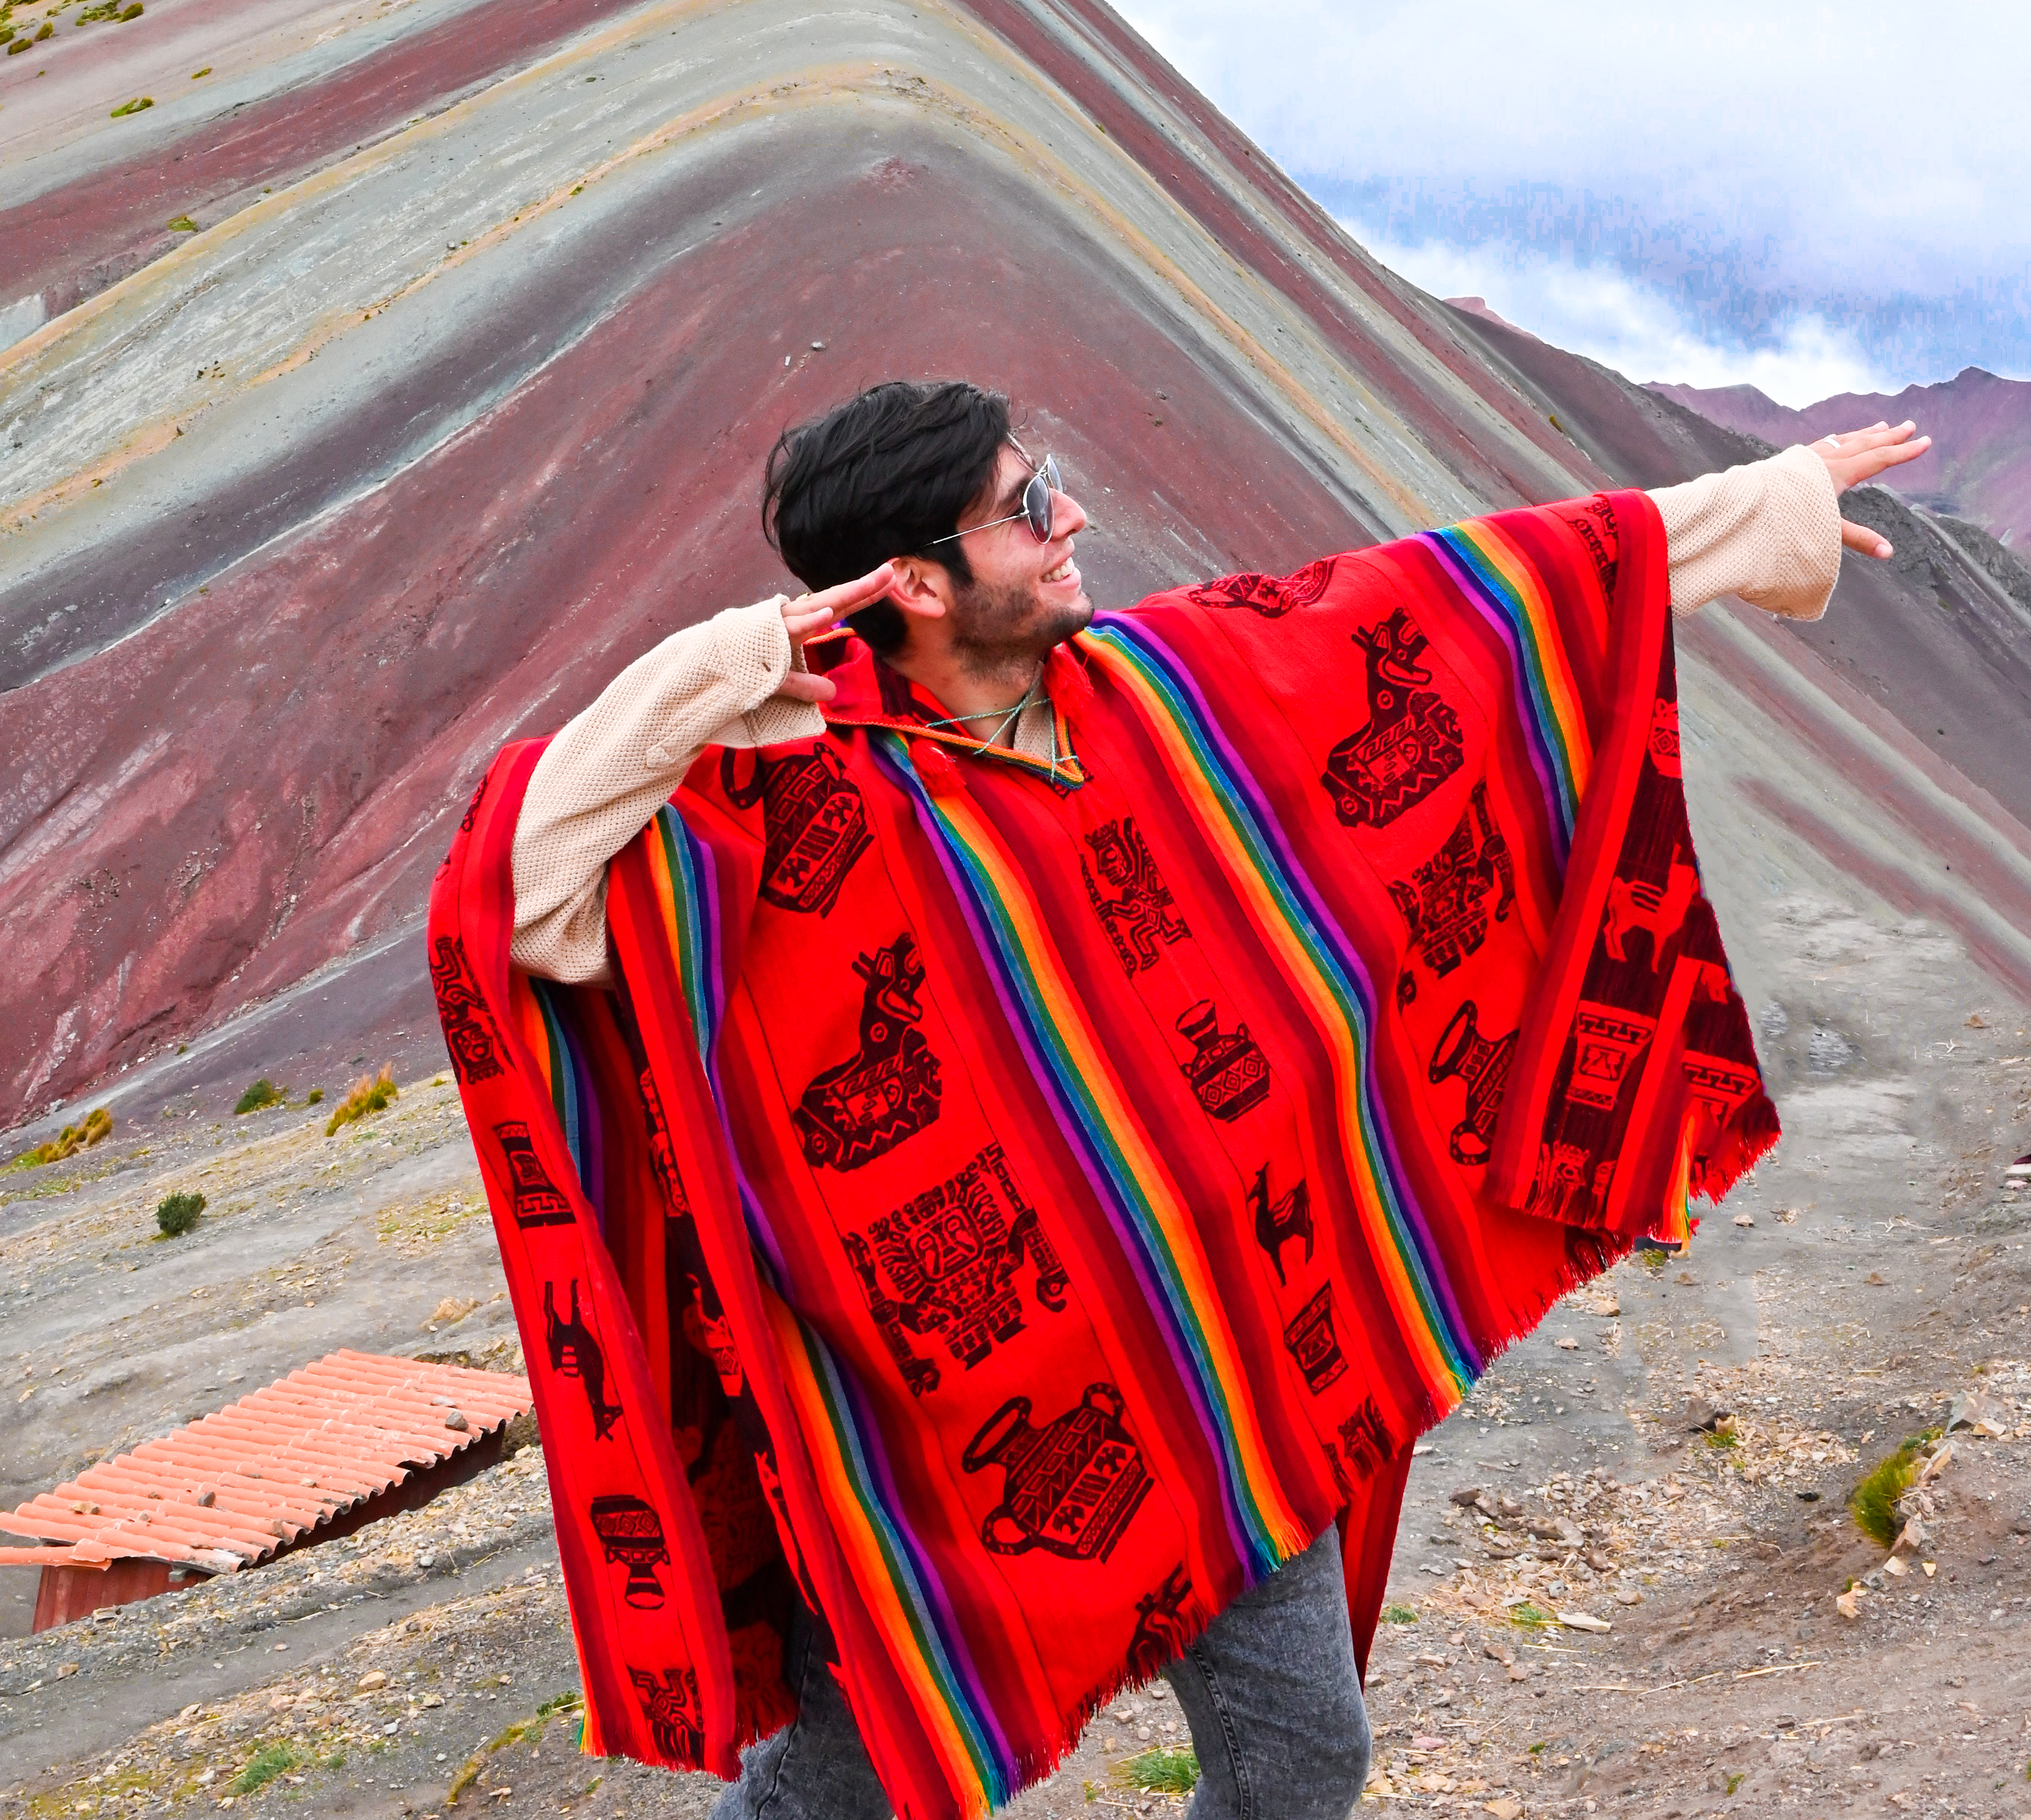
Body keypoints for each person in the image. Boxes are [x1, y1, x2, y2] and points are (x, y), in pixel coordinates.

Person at [429, 385, 1928, 1820]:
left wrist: (1757, 512)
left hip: (1232, 1380)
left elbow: (1460, 601)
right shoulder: (760, 811)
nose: (1072, 515)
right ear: (917, 582)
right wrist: (731, 661)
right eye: (1025, 507)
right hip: (935, 1453)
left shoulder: (1163, 692)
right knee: (848, 1789)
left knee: (1299, 1762)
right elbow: (512, 887)